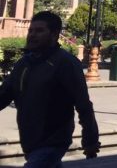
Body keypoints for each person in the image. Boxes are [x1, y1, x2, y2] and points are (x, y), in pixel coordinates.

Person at [0, 11, 100, 166]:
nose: (32, 35)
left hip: (53, 140)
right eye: (31, 30)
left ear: (54, 34)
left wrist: (90, 140)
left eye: (39, 31)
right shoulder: (23, 64)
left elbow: (83, 104)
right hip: (29, 139)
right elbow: (4, 94)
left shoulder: (66, 63)